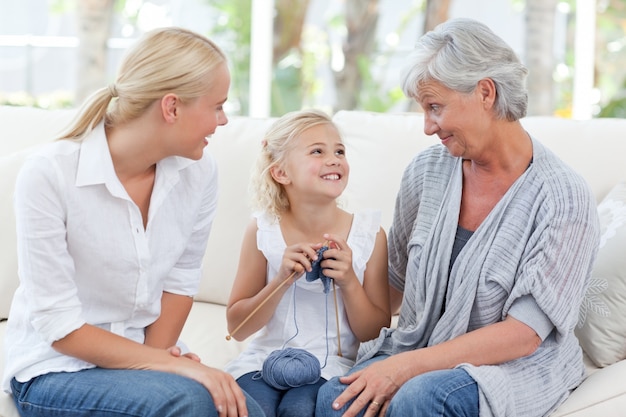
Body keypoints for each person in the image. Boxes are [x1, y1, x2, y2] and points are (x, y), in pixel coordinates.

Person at [315, 17, 601, 417]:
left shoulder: (562, 197)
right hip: (420, 350)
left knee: (422, 398)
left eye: (435, 107)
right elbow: (392, 289)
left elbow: (524, 335)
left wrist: (404, 368)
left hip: (510, 367)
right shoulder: (427, 171)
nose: (428, 127)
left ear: (485, 92)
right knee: (335, 401)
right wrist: (340, 270)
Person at [2, 27, 264, 417]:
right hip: (54, 368)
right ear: (171, 107)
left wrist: (157, 362)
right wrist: (168, 367)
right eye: (217, 106)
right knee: (192, 402)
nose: (223, 121)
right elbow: (59, 325)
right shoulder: (49, 174)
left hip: (141, 357)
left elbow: (179, 282)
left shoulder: (198, 173)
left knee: (240, 408)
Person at [224, 109, 391, 417]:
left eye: (339, 151)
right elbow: (237, 327)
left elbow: (375, 334)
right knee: (248, 409)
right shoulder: (264, 230)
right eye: (318, 151)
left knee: (299, 411)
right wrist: (280, 282)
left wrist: (349, 281)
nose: (334, 159)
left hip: (331, 367)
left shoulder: (369, 234)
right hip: (263, 362)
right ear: (281, 173)